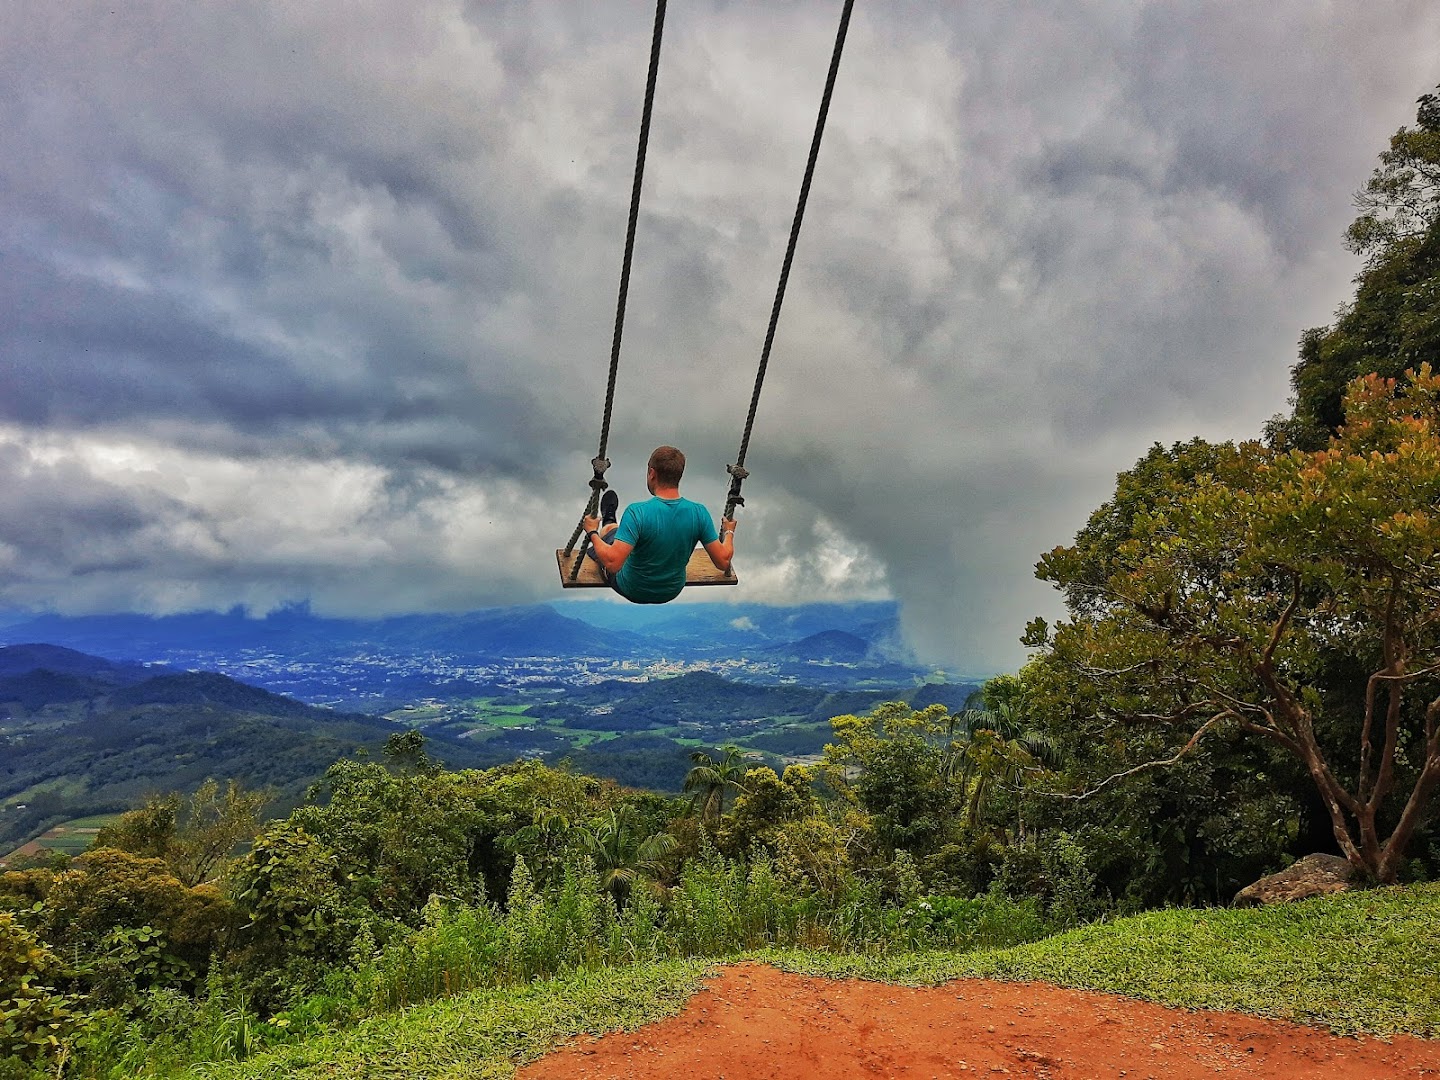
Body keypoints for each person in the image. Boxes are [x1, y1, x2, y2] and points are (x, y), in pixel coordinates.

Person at [581, 445, 737, 604]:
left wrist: (591, 532)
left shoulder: (637, 512)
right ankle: (611, 525)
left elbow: (613, 564)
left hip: (631, 588)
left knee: (610, 536)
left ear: (652, 473)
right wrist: (729, 532)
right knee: (627, 535)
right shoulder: (699, 512)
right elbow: (723, 562)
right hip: (671, 591)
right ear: (679, 476)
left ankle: (608, 522)